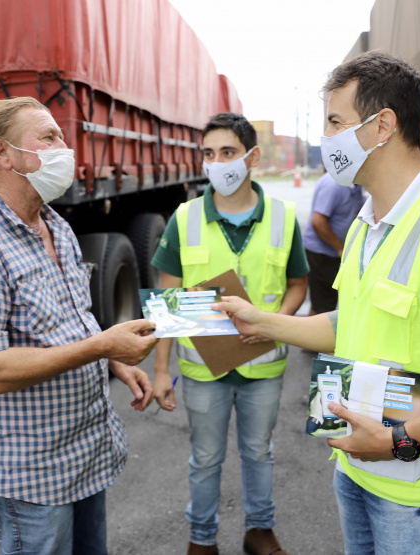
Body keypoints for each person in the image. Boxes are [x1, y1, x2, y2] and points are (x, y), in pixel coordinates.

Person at [213, 52, 420, 555]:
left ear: (383, 124)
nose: (328, 140)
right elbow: (354, 322)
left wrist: (399, 439)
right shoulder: (368, 222)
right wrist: (264, 323)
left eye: (336, 123)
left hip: (415, 487)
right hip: (357, 465)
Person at [0, 97, 158, 555]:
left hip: (85, 452)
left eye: (62, 137)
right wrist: (100, 347)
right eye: (48, 137)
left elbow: (72, 319)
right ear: (2, 153)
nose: (64, 148)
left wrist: (111, 356)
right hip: (33, 474)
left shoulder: (55, 225)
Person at [150, 113, 309, 555]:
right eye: (208, 154)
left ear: (252, 157)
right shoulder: (183, 219)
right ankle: (202, 539)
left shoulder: (282, 218)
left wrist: (275, 323)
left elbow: (299, 284)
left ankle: (259, 530)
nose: (217, 163)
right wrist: (161, 371)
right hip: (204, 373)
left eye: (228, 153)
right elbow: (167, 302)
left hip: (263, 369)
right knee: (205, 459)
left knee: (259, 452)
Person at [302, 172, 365, 314]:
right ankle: (314, 335)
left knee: (329, 303)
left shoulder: (355, 185)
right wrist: (339, 247)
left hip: (335, 253)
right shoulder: (334, 185)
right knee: (322, 306)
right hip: (321, 254)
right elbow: (318, 222)